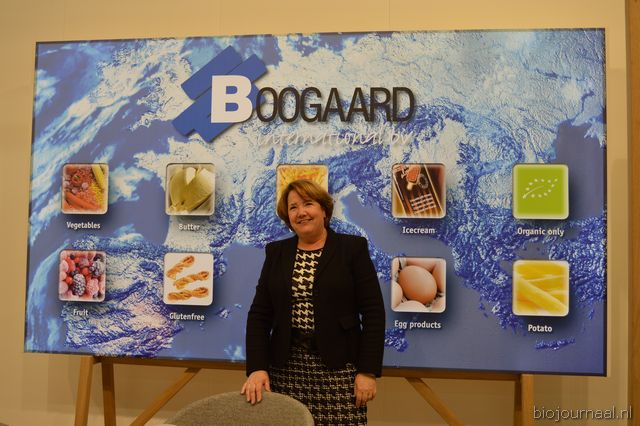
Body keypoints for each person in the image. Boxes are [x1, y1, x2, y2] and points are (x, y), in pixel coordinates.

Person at [241, 179, 385, 425]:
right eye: (293, 207)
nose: (301, 212)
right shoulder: (276, 252)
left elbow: (373, 312)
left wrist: (367, 371)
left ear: (324, 210)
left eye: (308, 204)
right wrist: (257, 368)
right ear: (288, 217)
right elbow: (259, 314)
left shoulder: (352, 248)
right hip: (286, 369)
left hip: (340, 368)